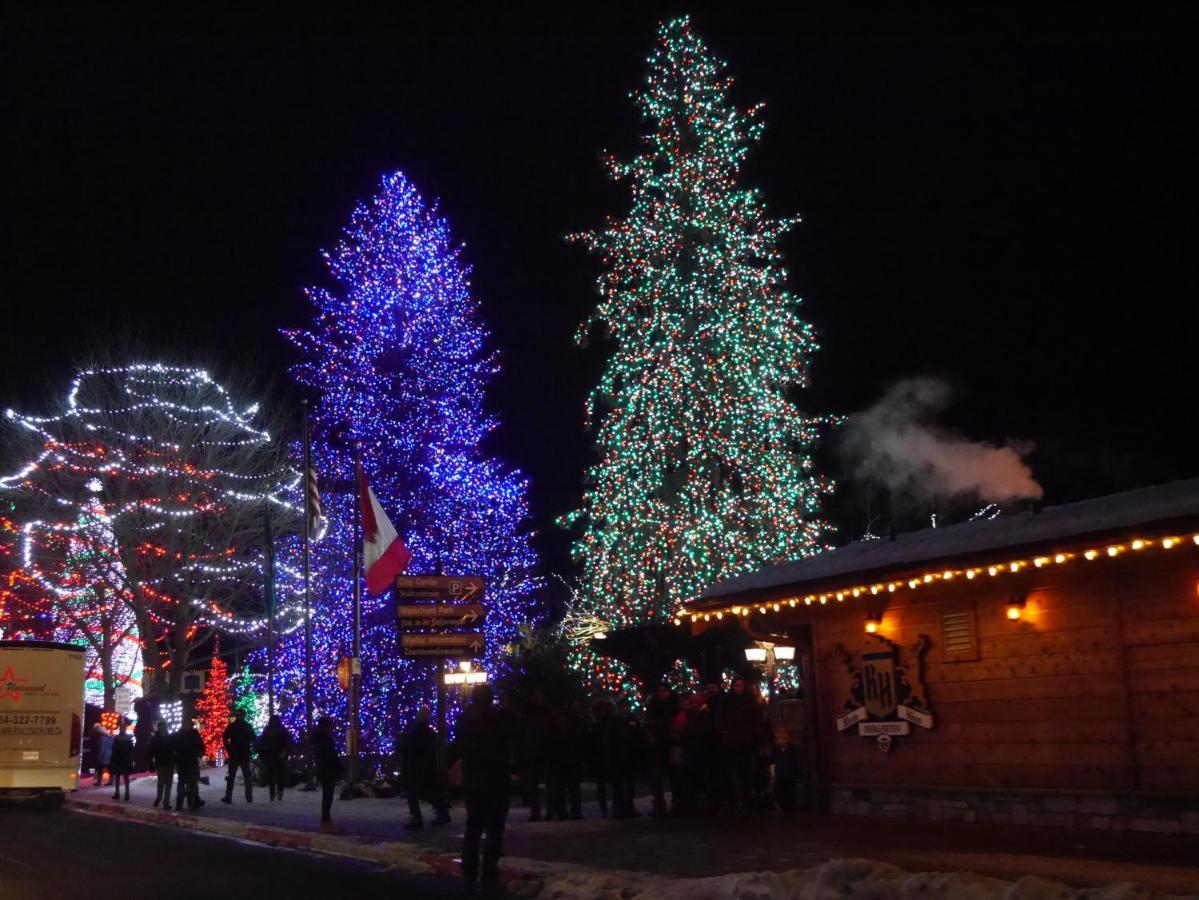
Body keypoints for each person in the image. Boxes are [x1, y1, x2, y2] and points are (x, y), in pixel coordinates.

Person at [456, 683, 515, 895]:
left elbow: (459, 745)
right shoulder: (497, 718)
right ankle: (489, 871)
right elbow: (514, 733)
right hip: (495, 780)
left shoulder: (466, 719)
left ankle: (469, 869)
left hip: (474, 781)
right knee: (494, 829)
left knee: (474, 827)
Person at [400, 707, 438, 829]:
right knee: (426, 790)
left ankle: (416, 817)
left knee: (413, 792)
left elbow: (410, 746)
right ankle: (440, 810)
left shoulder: (416, 731)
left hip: (414, 765)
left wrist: (402, 745)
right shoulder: (429, 732)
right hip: (424, 765)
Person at [644, 684, 677, 816]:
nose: (663, 694)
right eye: (660, 692)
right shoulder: (653, 707)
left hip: (670, 744)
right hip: (658, 745)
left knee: (674, 776)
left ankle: (675, 803)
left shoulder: (673, 706)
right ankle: (659, 804)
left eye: (665, 691)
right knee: (657, 777)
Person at [518, 689, 550, 822]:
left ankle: (544, 811)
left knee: (542, 783)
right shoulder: (532, 714)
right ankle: (537, 810)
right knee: (534, 784)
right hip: (533, 751)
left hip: (539, 751)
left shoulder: (537, 713)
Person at [611, 700, 642, 818]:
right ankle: (619, 809)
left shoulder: (633, 720)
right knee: (619, 786)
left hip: (630, 757)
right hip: (618, 757)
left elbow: (639, 736)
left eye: (626, 706)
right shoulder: (614, 722)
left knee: (630, 785)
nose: (624, 709)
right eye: (622, 706)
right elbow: (611, 740)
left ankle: (629, 807)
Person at [310, 716, 342, 831]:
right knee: (328, 796)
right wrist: (338, 767)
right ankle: (326, 820)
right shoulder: (325, 739)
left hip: (323, 770)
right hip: (328, 770)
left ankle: (326, 819)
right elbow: (330, 755)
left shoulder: (318, 738)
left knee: (327, 795)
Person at [587, 699, 616, 818]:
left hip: (610, 757)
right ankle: (605, 810)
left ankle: (614, 808)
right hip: (601, 758)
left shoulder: (611, 724)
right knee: (602, 786)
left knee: (613, 785)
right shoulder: (597, 726)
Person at [222, 708, 256, 804]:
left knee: (231, 777)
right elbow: (253, 738)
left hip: (234, 754)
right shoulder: (247, 726)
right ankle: (248, 797)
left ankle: (228, 797)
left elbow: (225, 738)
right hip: (243, 754)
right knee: (246, 777)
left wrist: (229, 748)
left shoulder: (232, 726)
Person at [256, 714, 293, 802]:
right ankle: (279, 792)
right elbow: (287, 742)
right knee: (280, 774)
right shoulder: (282, 730)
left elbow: (262, 742)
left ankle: (272, 793)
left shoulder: (267, 730)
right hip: (279, 754)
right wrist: (285, 752)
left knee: (271, 775)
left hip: (270, 755)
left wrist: (263, 751)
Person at [173, 716, 205, 811]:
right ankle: (190, 801)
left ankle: (188, 801)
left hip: (186, 761)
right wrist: (200, 752)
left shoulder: (179, 734)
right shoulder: (192, 734)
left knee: (187, 782)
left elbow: (200, 746)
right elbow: (200, 746)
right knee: (189, 782)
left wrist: (200, 752)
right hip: (187, 761)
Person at [148, 719, 175, 808]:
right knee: (162, 782)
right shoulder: (156, 739)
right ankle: (160, 798)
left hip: (168, 763)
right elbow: (151, 752)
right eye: (162, 728)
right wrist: (151, 763)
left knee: (167, 783)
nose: (163, 730)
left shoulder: (168, 738)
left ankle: (165, 801)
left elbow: (173, 750)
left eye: (164, 728)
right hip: (161, 763)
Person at [109, 719, 134, 801]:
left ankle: (117, 793)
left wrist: (112, 760)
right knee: (125, 777)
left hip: (118, 760)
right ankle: (127, 793)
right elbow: (131, 750)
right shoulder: (128, 739)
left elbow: (113, 750)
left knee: (118, 776)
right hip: (126, 760)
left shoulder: (117, 738)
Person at [91, 720, 112, 786]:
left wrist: (99, 757)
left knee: (100, 769)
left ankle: (99, 781)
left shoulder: (101, 738)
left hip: (103, 756)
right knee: (110, 769)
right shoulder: (111, 737)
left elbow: (101, 748)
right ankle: (111, 781)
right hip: (110, 756)